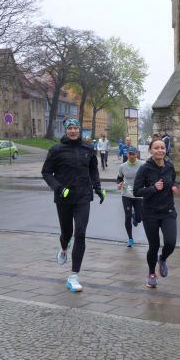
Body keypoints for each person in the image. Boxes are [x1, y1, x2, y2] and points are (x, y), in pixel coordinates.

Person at [41, 117, 106, 292]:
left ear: (79, 129)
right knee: (67, 233)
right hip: (64, 198)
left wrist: (98, 188)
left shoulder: (88, 149)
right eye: (70, 128)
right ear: (65, 130)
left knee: (80, 233)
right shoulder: (56, 150)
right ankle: (64, 248)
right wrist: (59, 188)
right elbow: (46, 172)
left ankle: (74, 276)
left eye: (75, 128)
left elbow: (93, 169)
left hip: (83, 196)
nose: (73, 131)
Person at [133, 138, 179, 289]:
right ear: (150, 150)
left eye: (162, 148)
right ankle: (152, 273)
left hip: (168, 211)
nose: (160, 150)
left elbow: (173, 181)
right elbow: (136, 191)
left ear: (165, 150)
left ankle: (163, 258)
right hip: (150, 213)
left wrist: (174, 187)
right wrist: (153, 188)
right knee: (154, 245)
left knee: (170, 243)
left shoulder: (170, 166)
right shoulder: (144, 169)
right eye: (156, 148)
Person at [116, 147, 144, 247]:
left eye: (133, 154)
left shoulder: (142, 165)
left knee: (139, 218)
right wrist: (119, 184)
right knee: (127, 216)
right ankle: (130, 238)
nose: (132, 156)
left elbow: (147, 177)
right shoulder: (122, 166)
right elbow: (119, 178)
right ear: (127, 154)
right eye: (130, 154)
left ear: (137, 154)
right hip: (126, 193)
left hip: (139, 193)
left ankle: (135, 217)